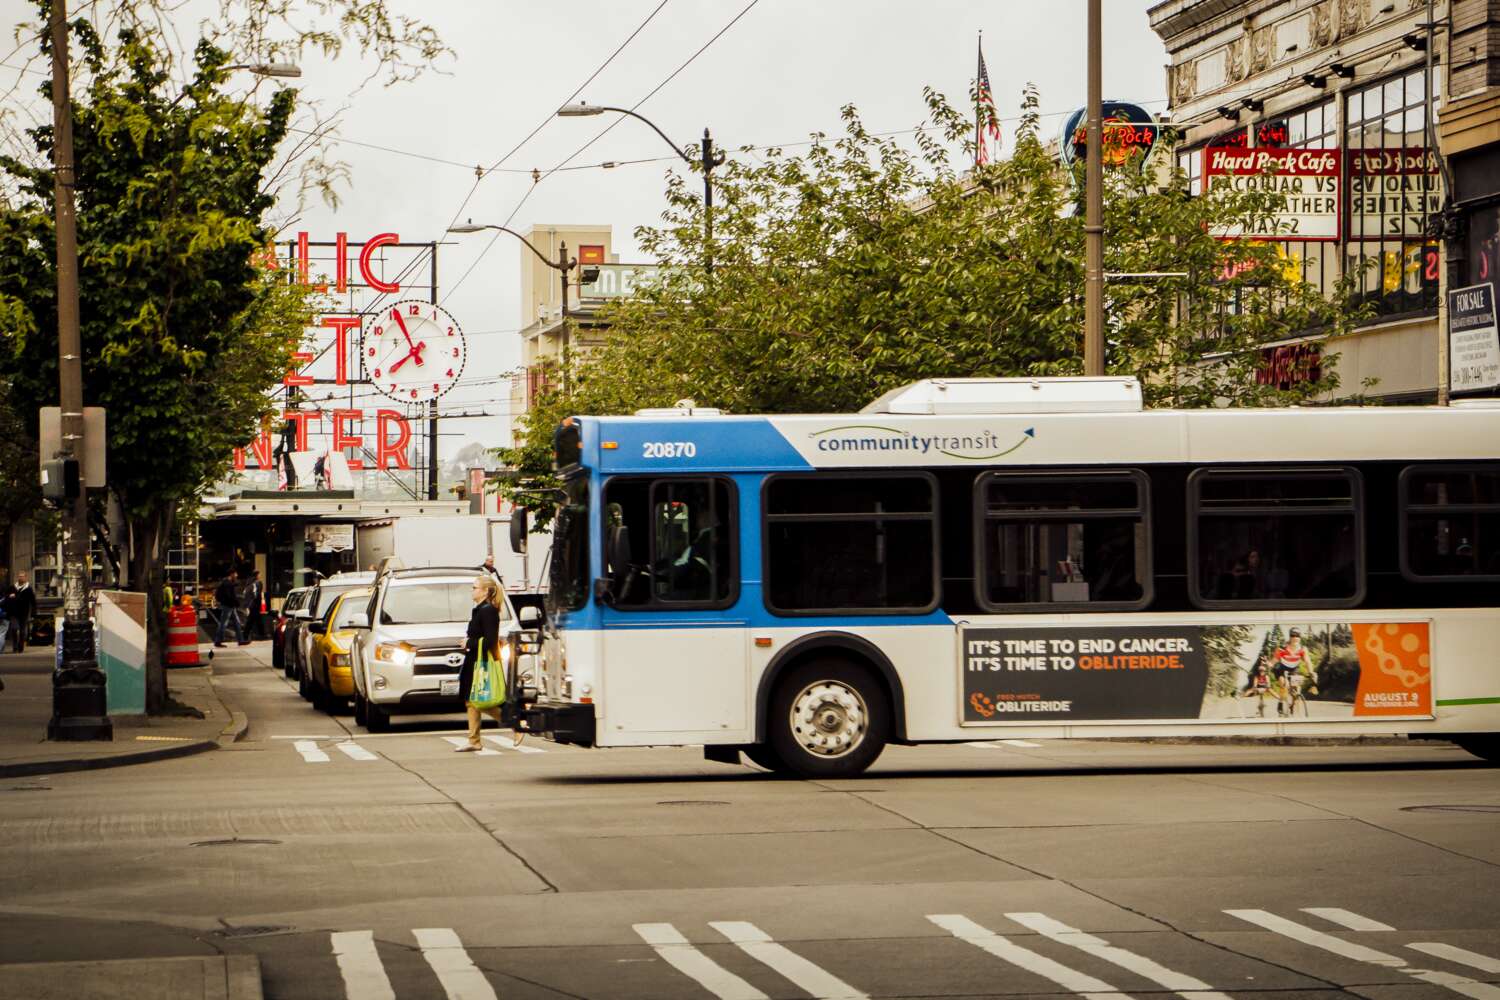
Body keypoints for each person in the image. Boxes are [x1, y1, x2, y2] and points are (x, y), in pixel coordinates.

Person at [454, 574, 521, 752]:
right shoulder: (479, 609)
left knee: (485, 701)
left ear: (485, 591)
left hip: (483, 662)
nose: (472, 590)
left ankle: (516, 727)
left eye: (475, 587)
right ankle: (474, 740)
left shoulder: (488, 611)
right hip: (474, 660)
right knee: (471, 700)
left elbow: (491, 640)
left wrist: (469, 643)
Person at [213, 570, 247, 647]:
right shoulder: (227, 583)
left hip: (230, 606)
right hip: (228, 606)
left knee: (237, 623)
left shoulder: (228, 583)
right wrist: (235, 602)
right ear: (231, 574)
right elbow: (229, 596)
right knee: (223, 624)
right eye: (235, 574)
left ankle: (241, 640)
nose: (237, 575)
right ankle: (218, 641)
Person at [6, 573, 35, 652]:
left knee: (22, 631)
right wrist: (9, 596)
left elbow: (32, 601)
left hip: (24, 612)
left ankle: (20, 647)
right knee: (14, 628)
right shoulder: (12, 587)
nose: (21, 578)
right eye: (19, 576)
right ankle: (14, 646)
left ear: (26, 577)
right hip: (14, 612)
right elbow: (5, 597)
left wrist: (33, 613)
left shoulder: (28, 588)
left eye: (22, 576)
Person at [243, 571, 265, 641]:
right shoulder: (257, 583)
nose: (260, 576)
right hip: (255, 604)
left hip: (251, 604)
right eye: (259, 574)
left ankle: (261, 634)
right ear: (256, 575)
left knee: (255, 619)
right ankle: (246, 635)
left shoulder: (249, 583)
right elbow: (256, 594)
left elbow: (245, 593)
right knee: (251, 620)